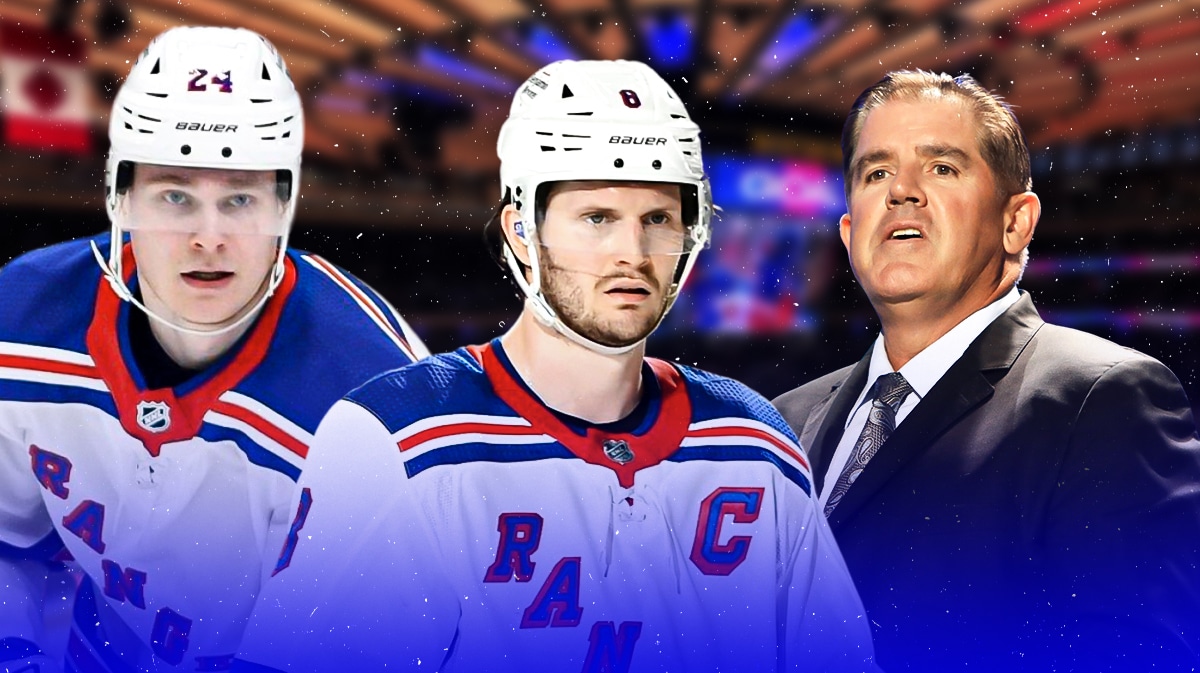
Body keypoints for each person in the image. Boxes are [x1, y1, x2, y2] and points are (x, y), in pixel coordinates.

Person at [234, 59, 876, 673]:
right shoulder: (399, 435)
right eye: (597, 218)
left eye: (657, 218)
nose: (633, 252)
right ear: (521, 231)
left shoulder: (753, 439)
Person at [0, 26, 428, 673]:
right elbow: (9, 541)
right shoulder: (20, 316)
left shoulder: (375, 389)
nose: (209, 236)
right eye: (175, 195)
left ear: (285, 205)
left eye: (240, 198)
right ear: (121, 198)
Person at [773, 70, 1200, 671]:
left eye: (942, 167)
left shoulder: (1104, 400)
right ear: (849, 232)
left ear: (1016, 221)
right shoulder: (780, 421)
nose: (902, 191)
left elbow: (1137, 655)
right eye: (876, 173)